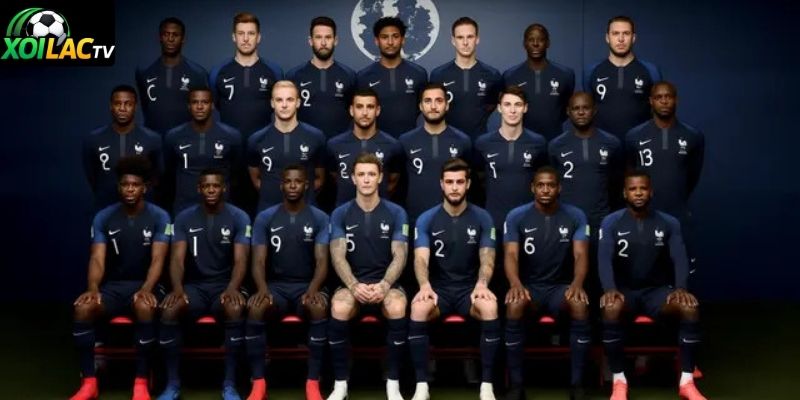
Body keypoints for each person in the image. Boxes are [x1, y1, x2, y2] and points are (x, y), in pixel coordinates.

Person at [598, 170, 706, 400]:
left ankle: (687, 382)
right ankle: (619, 381)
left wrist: (681, 288)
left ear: (651, 192)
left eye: (643, 188)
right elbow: (604, 259)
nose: (638, 193)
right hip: (624, 292)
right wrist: (610, 289)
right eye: (633, 189)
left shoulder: (669, 222)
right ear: (624, 193)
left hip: (657, 292)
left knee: (689, 307)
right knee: (611, 307)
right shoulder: (611, 222)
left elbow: (679, 257)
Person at [69, 155, 170, 400]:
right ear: (118, 187)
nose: (130, 189)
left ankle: (141, 382)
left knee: (144, 306)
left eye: (135, 185)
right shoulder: (104, 217)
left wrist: (146, 288)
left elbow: (158, 259)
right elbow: (97, 258)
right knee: (83, 309)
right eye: (125, 185)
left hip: (148, 285)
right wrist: (93, 288)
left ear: (144, 188)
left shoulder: (160, 217)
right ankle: (89, 382)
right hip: (114, 288)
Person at [157, 168, 251, 400]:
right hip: (195, 287)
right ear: (199, 189)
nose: (211, 190)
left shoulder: (239, 217)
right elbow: (177, 260)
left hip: (225, 285)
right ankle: (172, 384)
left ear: (224, 188)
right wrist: (178, 289)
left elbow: (241, 260)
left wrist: (232, 287)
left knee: (234, 307)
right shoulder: (184, 218)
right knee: (170, 309)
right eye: (206, 186)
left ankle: (229, 383)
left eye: (215, 186)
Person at [409, 158, 499, 400]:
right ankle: (421, 386)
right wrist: (424, 285)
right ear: (441, 184)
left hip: (469, 289)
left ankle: (487, 386)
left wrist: (482, 283)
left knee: (490, 307)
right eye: (449, 182)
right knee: (418, 309)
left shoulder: (482, 218)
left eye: (460, 182)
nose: (455, 187)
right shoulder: (427, 218)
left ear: (468, 184)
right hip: (438, 289)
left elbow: (487, 258)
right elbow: (420, 259)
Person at [503, 166, 591, 400]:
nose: (545, 190)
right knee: (514, 304)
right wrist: (515, 283)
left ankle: (577, 384)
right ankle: (516, 386)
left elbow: (581, 254)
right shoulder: (516, 216)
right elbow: (510, 254)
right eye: (540, 185)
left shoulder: (576, 216)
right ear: (532, 187)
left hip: (559, 288)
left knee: (579, 304)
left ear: (559, 188)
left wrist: (577, 283)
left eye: (550, 185)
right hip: (529, 287)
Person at [326, 153, 409, 400]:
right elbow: (337, 256)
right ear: (353, 178)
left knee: (397, 305)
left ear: (380, 177)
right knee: (339, 306)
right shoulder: (340, 213)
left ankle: (393, 383)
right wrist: (353, 285)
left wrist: (385, 284)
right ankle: (340, 384)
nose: (366, 179)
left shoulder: (396, 212)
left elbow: (400, 254)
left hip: (387, 283)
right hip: (352, 284)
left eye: (371, 174)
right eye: (361, 174)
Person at [245, 165, 330, 400]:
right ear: (281, 185)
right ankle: (258, 383)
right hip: (276, 287)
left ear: (306, 185)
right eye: (288, 181)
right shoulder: (265, 217)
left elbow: (322, 260)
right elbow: (258, 260)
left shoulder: (320, 217)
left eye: (298, 181)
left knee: (317, 306)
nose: (293, 186)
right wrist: (263, 289)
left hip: (307, 284)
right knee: (256, 307)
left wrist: (313, 289)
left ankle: (313, 382)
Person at [625, 81, 704, 232]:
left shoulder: (693, 136)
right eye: (658, 97)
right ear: (651, 101)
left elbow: (693, 176)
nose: (664, 101)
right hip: (644, 213)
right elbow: (630, 173)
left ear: (676, 100)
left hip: (678, 212)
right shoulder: (634, 136)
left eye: (668, 96)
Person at [474, 86, 548, 246]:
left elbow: (543, 178)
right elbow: (476, 180)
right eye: (507, 104)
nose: (512, 110)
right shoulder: (483, 143)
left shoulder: (538, 143)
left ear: (525, 108)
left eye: (518, 105)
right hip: (493, 220)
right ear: (499, 108)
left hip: (528, 220)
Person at [247, 80, 326, 213]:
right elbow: (256, 179)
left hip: (307, 211)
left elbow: (320, 178)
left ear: (298, 102)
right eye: (279, 100)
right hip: (268, 211)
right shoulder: (256, 139)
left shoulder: (316, 137)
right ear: (272, 103)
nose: (284, 105)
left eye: (290, 99)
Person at [548, 92, 623, 229]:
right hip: (567, 218)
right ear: (568, 112)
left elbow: (617, 182)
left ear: (594, 110)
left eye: (586, 108)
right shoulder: (556, 146)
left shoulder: (612, 143)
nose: (581, 112)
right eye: (576, 108)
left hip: (602, 217)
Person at [399, 83, 472, 223]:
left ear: (447, 105)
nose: (433, 106)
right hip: (415, 218)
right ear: (420, 106)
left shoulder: (463, 141)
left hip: (453, 219)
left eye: (439, 101)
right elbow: (398, 181)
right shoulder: (406, 141)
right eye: (428, 101)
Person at [164, 88, 243, 215]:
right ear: (189, 106)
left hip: (221, 207)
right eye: (195, 102)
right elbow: (168, 172)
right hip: (184, 206)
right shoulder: (173, 136)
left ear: (212, 105)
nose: (199, 107)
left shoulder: (231, 136)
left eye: (205, 102)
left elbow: (237, 172)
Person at [82, 85, 162, 211]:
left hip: (142, 211)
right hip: (105, 207)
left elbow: (158, 176)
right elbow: (92, 177)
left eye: (128, 104)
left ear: (135, 106)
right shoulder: (94, 139)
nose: (122, 108)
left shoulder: (152, 139)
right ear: (111, 106)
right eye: (117, 103)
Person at [584, 15, 662, 140]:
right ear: (607, 38)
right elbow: (587, 109)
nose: (621, 39)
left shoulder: (651, 71)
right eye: (615, 33)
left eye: (626, 33)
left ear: (633, 38)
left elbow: (659, 111)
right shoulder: (591, 71)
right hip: (603, 146)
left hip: (641, 144)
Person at [210, 12, 284, 140]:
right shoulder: (217, 71)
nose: (245, 39)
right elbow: (216, 104)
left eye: (251, 33)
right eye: (240, 33)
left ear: (258, 37)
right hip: (228, 144)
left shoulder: (274, 71)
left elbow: (280, 105)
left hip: (264, 144)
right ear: (234, 37)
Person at [326, 89, 403, 206]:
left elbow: (393, 179)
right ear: (351, 110)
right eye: (359, 107)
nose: (365, 112)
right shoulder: (334, 145)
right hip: (345, 211)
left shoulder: (393, 145)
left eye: (370, 107)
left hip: (381, 212)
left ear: (377, 110)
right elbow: (334, 176)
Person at [429, 17, 502, 139]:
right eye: (460, 37)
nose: (465, 42)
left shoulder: (492, 75)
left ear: (477, 39)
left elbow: (492, 104)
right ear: (453, 41)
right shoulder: (438, 75)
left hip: (479, 141)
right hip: (447, 141)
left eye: (470, 37)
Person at [135, 17, 208, 136]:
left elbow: (203, 110)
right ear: (160, 37)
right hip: (153, 139)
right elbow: (145, 105)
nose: (170, 39)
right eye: (166, 34)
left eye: (175, 35)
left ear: (183, 39)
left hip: (186, 140)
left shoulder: (198, 73)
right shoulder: (144, 71)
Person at [287, 16, 357, 139]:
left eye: (328, 37)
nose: (323, 43)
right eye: (318, 37)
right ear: (310, 41)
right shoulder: (294, 76)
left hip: (339, 146)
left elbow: (357, 113)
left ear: (335, 40)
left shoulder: (349, 75)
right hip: (304, 144)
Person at [356, 16, 428, 137]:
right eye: (384, 37)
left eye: (395, 36)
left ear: (403, 40)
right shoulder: (363, 77)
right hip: (376, 143)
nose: (390, 42)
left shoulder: (419, 74)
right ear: (377, 41)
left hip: (410, 142)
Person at [503, 23, 575, 140]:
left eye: (541, 40)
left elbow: (566, 108)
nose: (535, 44)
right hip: (522, 142)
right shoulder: (510, 76)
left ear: (548, 43)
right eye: (531, 40)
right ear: (524, 44)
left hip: (554, 140)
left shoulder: (565, 74)